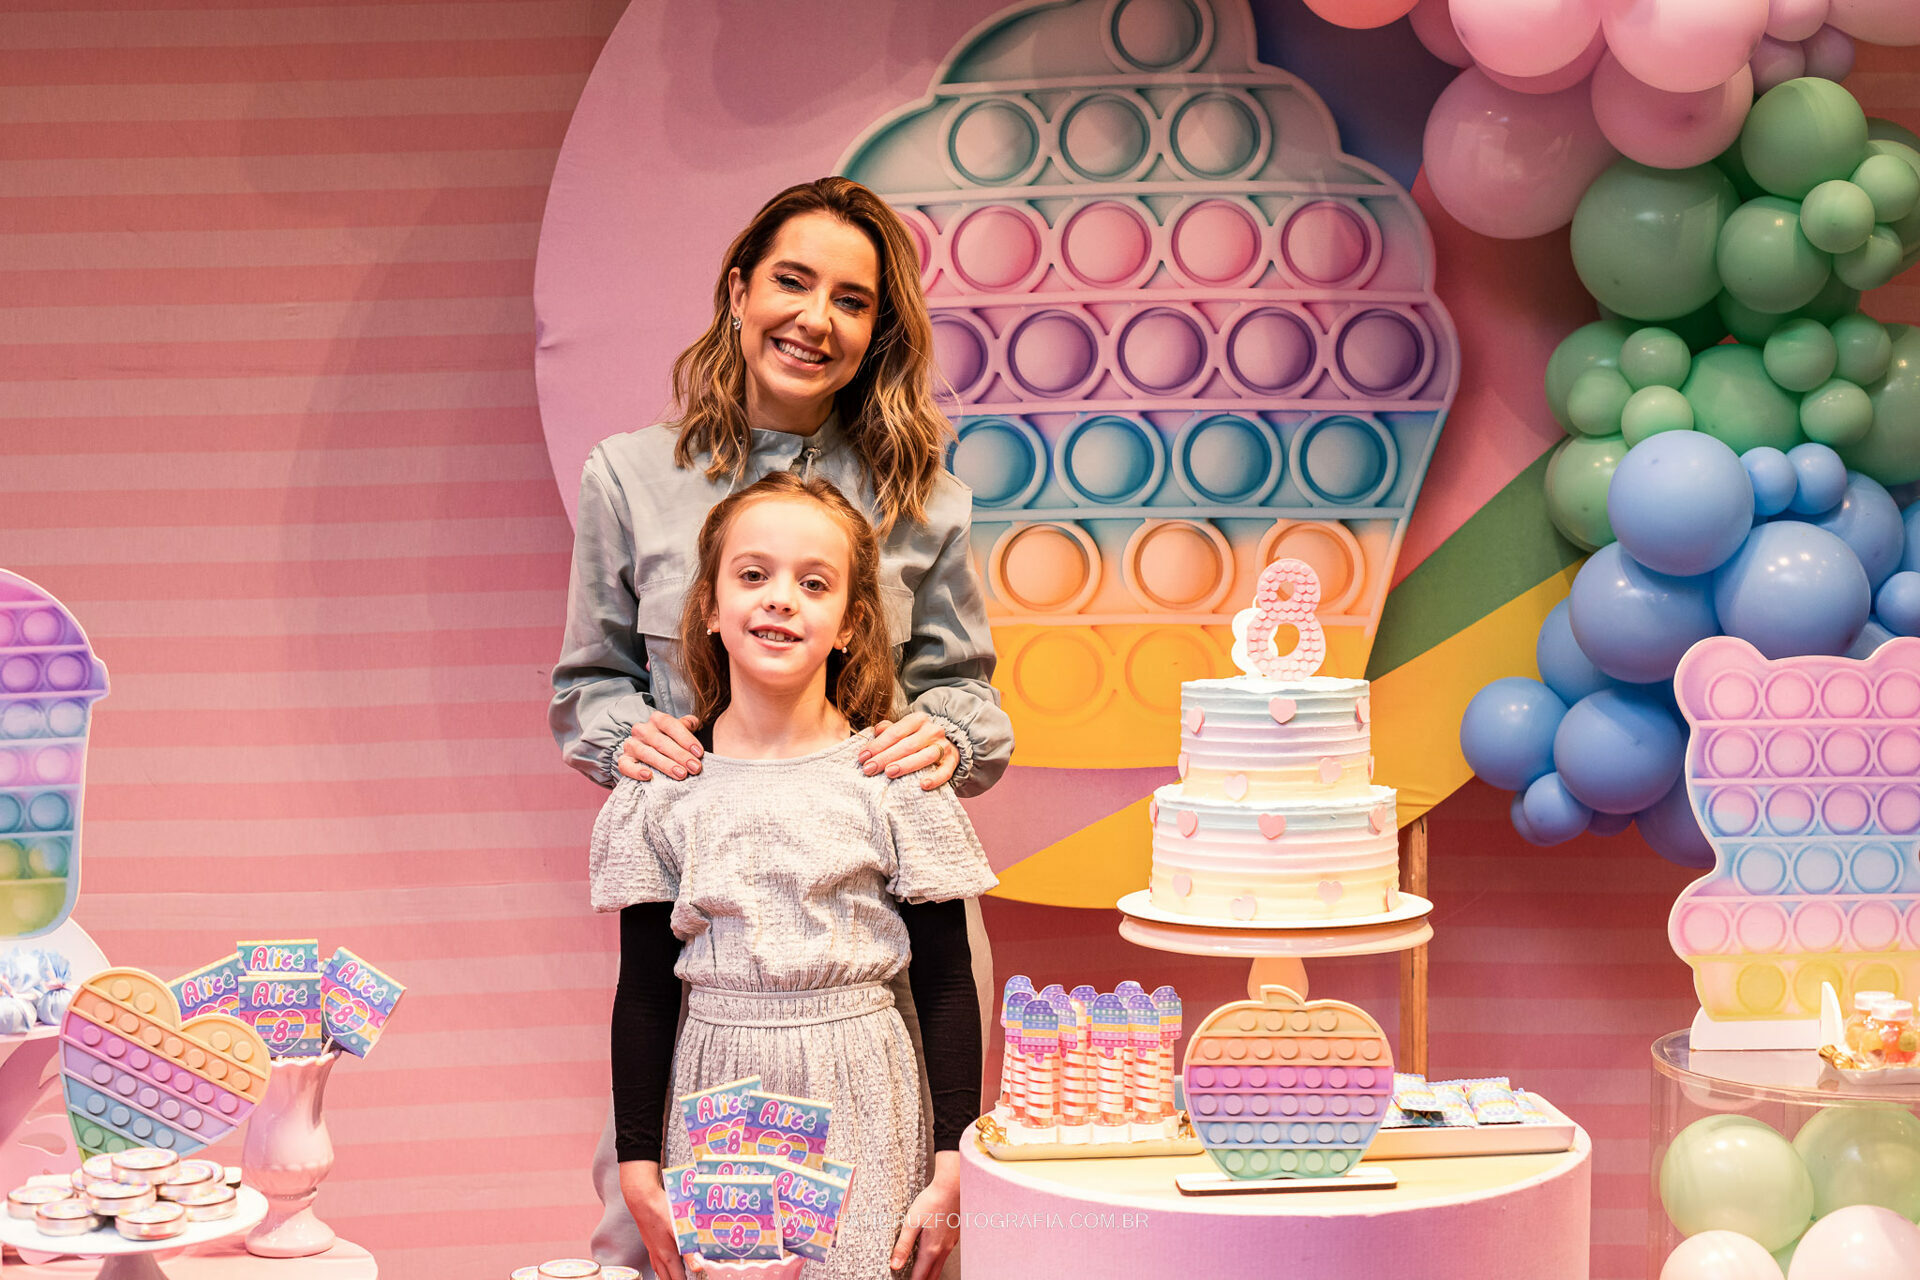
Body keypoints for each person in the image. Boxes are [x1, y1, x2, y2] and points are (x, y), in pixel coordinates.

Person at [550, 176, 1012, 1268]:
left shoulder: (925, 496)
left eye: (852, 300)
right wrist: (630, 739)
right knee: (665, 1233)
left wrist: (945, 733)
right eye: (792, 282)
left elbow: (971, 694)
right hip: (714, 949)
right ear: (740, 288)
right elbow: (587, 687)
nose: (815, 318)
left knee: (902, 1232)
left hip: (880, 934)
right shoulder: (630, 475)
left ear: (877, 330)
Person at [593, 472, 994, 1280]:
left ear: (849, 624)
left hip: (867, 1088)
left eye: (813, 583)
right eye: (753, 575)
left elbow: (949, 980)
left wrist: (954, 1156)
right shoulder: (663, 788)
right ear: (709, 607)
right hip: (718, 1085)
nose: (781, 598)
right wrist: (637, 1162)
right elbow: (642, 987)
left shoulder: (895, 777)